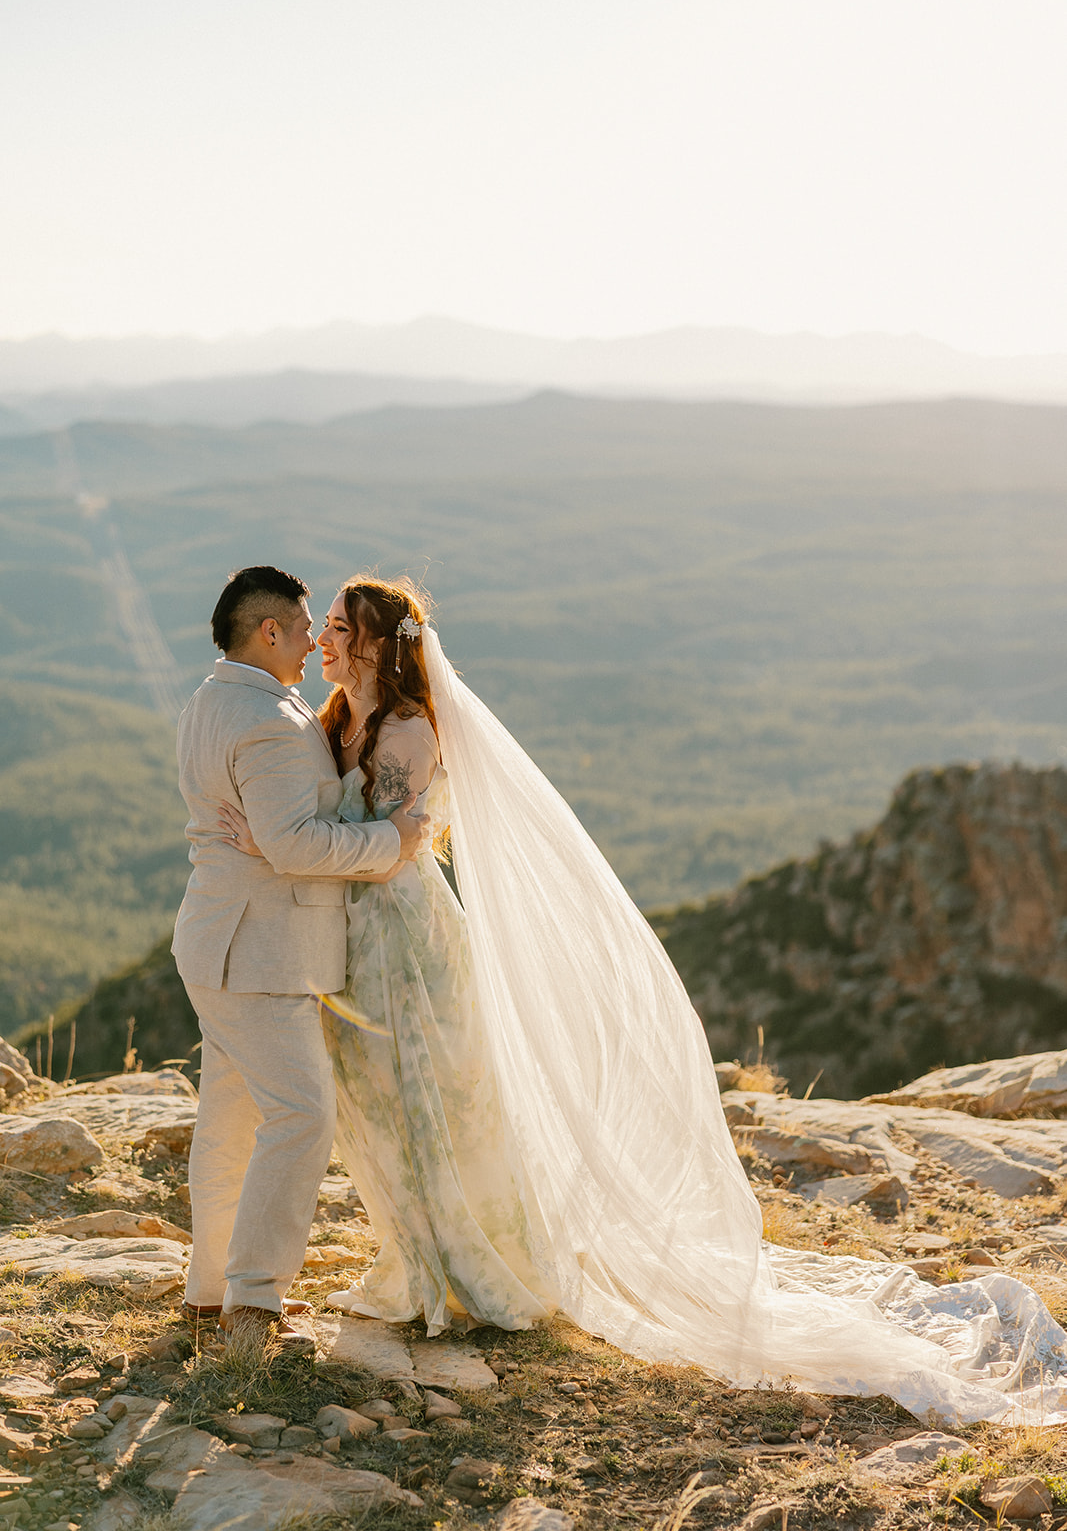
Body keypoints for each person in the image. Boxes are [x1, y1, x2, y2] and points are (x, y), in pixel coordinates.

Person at [223, 574, 1067, 1423]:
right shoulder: (335, 720)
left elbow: (397, 850)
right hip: (342, 943)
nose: (322, 638)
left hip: (403, 942)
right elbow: (330, 823)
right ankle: (409, 1255)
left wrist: (344, 838)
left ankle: (465, 1270)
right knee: (376, 1108)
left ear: (378, 643)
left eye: (337, 626)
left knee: (431, 1099)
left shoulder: (407, 729)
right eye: (320, 625)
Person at [172, 566, 431, 1348]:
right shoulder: (274, 724)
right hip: (261, 952)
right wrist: (392, 841)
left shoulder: (213, 698)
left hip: (221, 939)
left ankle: (211, 1291)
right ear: (270, 631)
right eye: (306, 624)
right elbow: (291, 844)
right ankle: (253, 1302)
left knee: (230, 1119)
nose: (317, 637)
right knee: (301, 1116)